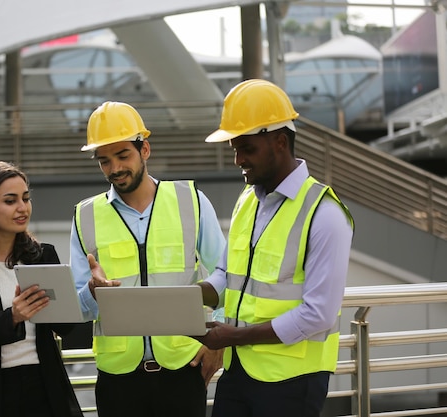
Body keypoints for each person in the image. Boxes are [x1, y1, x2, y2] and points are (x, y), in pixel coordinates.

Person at [194, 79, 355, 417]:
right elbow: (228, 275)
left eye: (247, 148)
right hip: (240, 373)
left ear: (280, 142)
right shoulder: (246, 202)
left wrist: (233, 337)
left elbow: (318, 314)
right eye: (234, 148)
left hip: (293, 381)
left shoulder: (324, 214)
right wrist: (190, 296)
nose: (238, 159)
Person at [70, 101, 226, 417]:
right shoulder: (85, 216)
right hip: (118, 379)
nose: (114, 168)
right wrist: (91, 293)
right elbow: (77, 307)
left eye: (123, 155)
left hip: (184, 369)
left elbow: (228, 274)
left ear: (145, 150)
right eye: (104, 160)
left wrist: (218, 341)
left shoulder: (191, 201)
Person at [0, 161, 83, 417]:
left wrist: (87, 291)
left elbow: (65, 327)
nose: (22, 208)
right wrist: (14, 316)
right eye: (10, 201)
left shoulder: (43, 255)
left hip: (44, 379)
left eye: (26, 198)